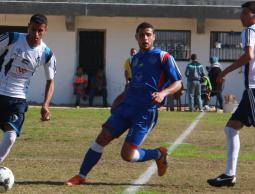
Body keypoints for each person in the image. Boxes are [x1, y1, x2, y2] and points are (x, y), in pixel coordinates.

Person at [65, 22, 182, 186]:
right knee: (101, 138)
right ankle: (81, 175)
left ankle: (158, 154)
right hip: (126, 108)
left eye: (148, 34)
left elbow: (178, 83)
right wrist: (119, 99)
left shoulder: (163, 57)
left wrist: (163, 93)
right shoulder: (134, 60)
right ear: (136, 38)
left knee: (127, 155)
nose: (145, 38)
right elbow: (133, 84)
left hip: (145, 112)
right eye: (141, 35)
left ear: (154, 36)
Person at [207, 1, 255, 187]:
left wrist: (224, 72)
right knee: (231, 128)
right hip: (251, 89)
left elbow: (248, 56)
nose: (241, 17)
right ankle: (229, 175)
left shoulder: (250, 31)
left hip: (253, 88)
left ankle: (229, 174)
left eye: (244, 13)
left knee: (231, 128)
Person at [0, 14, 56, 163]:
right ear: (28, 26)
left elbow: (51, 81)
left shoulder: (47, 53)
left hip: (18, 99)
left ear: (45, 30)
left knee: (11, 136)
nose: (36, 34)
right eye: (33, 29)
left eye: (40, 30)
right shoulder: (12, 38)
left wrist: (45, 105)